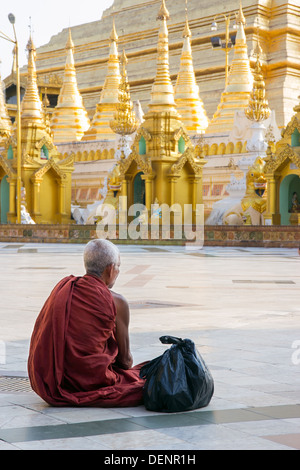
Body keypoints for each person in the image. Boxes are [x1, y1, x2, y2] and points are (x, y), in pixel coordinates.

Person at [28, 239, 146, 407]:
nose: (118, 271)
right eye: (118, 266)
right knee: (146, 373)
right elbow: (126, 362)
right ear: (111, 269)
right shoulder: (117, 302)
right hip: (94, 381)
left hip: (54, 382)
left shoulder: (64, 289)